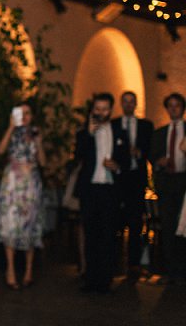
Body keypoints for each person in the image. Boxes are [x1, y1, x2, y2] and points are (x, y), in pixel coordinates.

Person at [74, 93, 130, 293]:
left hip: (110, 190)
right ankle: (90, 279)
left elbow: (125, 161)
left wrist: (117, 167)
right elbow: (78, 155)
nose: (101, 113)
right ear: (92, 109)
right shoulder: (83, 132)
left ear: (111, 110)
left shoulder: (119, 132)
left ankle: (105, 281)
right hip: (90, 190)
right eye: (97, 109)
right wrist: (89, 134)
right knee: (91, 235)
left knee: (108, 235)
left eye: (105, 109)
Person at [0, 102, 46, 290]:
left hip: (31, 183)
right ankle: (10, 270)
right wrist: (10, 127)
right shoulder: (12, 132)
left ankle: (29, 270)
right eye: (20, 113)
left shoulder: (35, 134)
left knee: (30, 223)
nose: (24, 116)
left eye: (27, 113)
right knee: (10, 223)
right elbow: (0, 150)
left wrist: (38, 142)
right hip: (12, 183)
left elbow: (43, 161)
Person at [111, 91, 153, 281]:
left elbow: (150, 150)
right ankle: (114, 261)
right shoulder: (114, 125)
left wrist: (139, 153)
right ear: (122, 103)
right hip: (119, 179)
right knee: (116, 222)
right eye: (125, 102)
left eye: (131, 102)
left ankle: (133, 264)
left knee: (136, 223)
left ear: (136, 104)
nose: (128, 105)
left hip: (136, 180)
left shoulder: (145, 126)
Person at [148, 92, 186, 285]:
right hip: (166, 182)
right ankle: (170, 269)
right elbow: (152, 156)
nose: (173, 109)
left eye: (177, 105)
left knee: (183, 226)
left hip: (183, 183)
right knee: (168, 226)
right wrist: (158, 163)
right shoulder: (160, 133)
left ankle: (182, 269)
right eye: (170, 105)